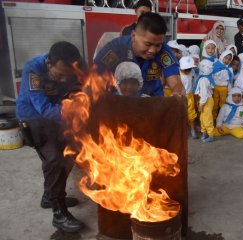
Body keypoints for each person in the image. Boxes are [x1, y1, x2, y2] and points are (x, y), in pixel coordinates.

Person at [16, 41, 84, 232]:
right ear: (49, 64)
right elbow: (44, 109)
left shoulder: (77, 64)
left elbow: (89, 84)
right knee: (54, 160)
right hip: (34, 119)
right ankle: (59, 213)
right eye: (59, 74)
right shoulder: (33, 69)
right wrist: (77, 114)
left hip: (58, 117)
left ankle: (50, 196)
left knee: (71, 155)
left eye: (67, 76)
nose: (63, 80)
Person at [94, 12, 184, 97]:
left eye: (158, 45)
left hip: (153, 104)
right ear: (134, 36)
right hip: (121, 105)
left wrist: (176, 97)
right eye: (148, 44)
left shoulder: (164, 51)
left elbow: (176, 83)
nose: (153, 50)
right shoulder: (116, 48)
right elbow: (95, 78)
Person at [194, 59, 216, 143]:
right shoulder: (207, 77)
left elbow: (204, 94)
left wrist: (201, 105)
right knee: (202, 117)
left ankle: (211, 134)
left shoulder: (203, 80)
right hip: (206, 100)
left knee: (207, 118)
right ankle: (204, 132)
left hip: (206, 100)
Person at [179, 56, 198, 139]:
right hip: (180, 96)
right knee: (180, 114)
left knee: (191, 113)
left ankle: (193, 130)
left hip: (190, 95)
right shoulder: (177, 74)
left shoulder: (192, 72)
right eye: (185, 69)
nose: (187, 71)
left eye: (189, 68)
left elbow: (194, 83)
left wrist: (195, 94)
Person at [212, 50, 233, 117]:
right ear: (222, 57)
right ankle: (214, 116)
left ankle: (221, 116)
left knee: (223, 103)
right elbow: (212, 77)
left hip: (224, 88)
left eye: (229, 59)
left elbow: (229, 81)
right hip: (215, 87)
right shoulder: (215, 65)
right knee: (215, 103)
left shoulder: (229, 69)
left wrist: (229, 90)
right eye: (226, 58)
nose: (227, 60)